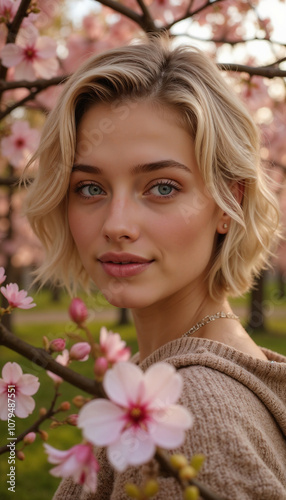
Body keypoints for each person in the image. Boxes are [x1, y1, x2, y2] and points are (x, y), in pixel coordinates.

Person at [24, 36, 286, 500]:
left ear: (231, 202)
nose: (117, 225)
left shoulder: (186, 418)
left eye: (162, 187)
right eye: (90, 188)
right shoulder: (198, 383)